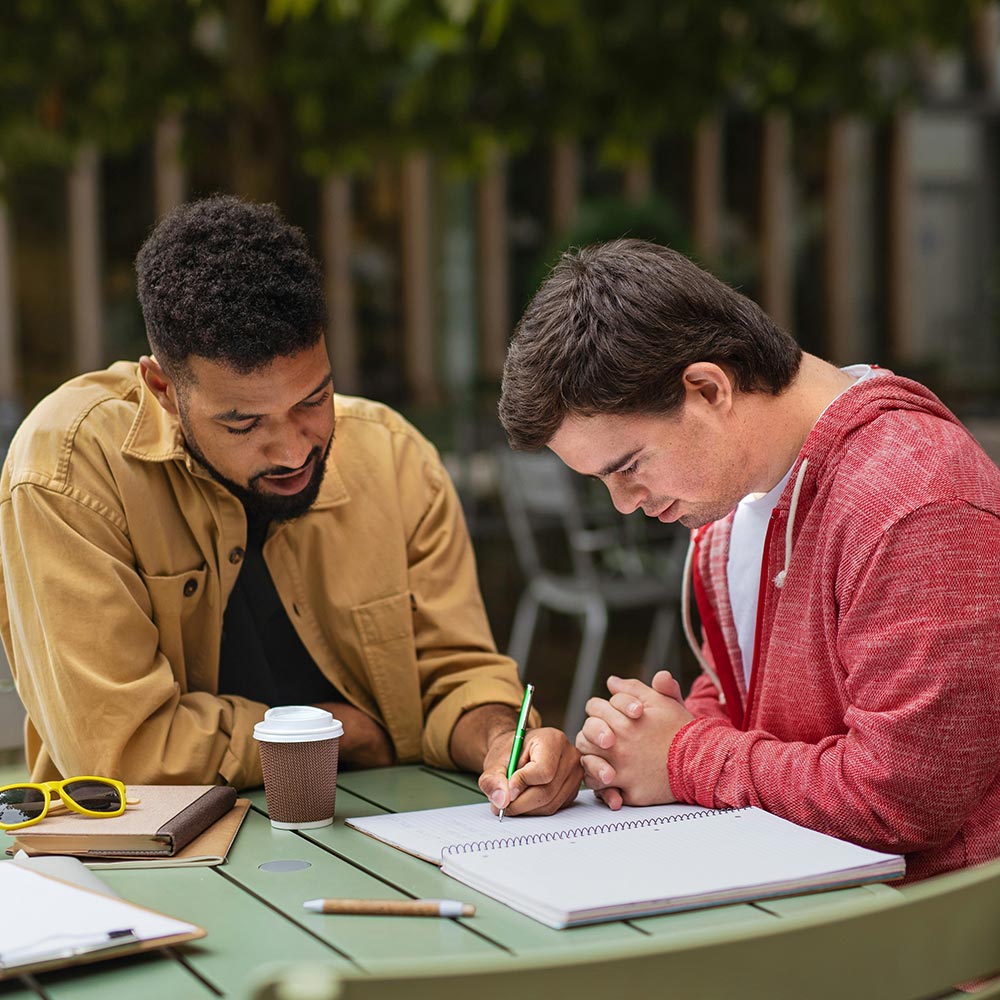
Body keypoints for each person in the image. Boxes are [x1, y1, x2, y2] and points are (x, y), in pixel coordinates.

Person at [0, 195, 581, 817]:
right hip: (148, 861)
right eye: (243, 423)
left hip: (384, 833)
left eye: (314, 398)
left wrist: (501, 740)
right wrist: (326, 731)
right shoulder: (65, 471)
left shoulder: (394, 457)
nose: (293, 450)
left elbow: (454, 675)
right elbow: (122, 750)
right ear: (163, 389)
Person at [498, 237, 1000, 881]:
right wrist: (643, 740)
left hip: (929, 949)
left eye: (628, 466)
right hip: (812, 907)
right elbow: (759, 701)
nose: (625, 503)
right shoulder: (740, 497)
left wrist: (683, 755)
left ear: (708, 389)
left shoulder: (917, 500)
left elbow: (903, 797)